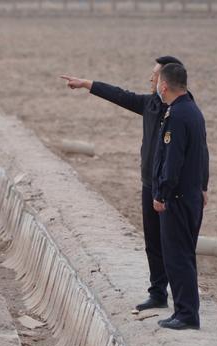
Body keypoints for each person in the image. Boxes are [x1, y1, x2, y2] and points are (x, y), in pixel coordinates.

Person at [60, 56, 206, 312]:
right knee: (153, 242)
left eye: (155, 76)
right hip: (150, 183)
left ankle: (184, 304)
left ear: (166, 81)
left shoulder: (181, 110)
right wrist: (87, 84)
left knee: (175, 246)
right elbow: (120, 95)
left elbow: (199, 151)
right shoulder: (151, 104)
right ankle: (158, 292)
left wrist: (203, 185)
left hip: (170, 189)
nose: (151, 80)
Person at [152, 63, 209, 330]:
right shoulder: (194, 111)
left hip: (177, 198)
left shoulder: (176, 116)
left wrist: (162, 193)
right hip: (192, 195)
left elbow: (172, 162)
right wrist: (203, 186)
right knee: (184, 254)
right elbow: (203, 154)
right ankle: (184, 311)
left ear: (164, 86)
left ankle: (186, 315)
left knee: (177, 256)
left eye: (157, 84)